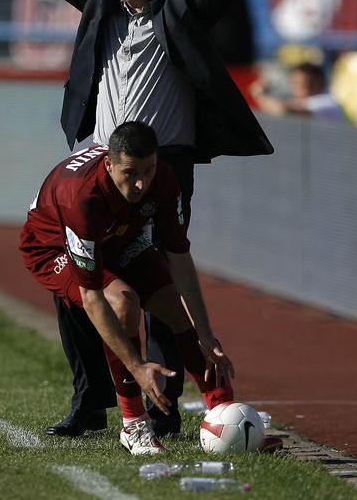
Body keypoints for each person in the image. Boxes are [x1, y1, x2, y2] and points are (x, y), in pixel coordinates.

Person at [0, 0, 273, 439]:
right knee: (79, 289)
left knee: (159, 284)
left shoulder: (182, 5)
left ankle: (163, 409)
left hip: (165, 166)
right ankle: (91, 402)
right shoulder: (100, 1)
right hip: (98, 166)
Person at [20, 122, 236, 455]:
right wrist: (136, 366)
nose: (140, 183)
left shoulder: (162, 179)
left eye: (147, 171)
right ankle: (133, 424)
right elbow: (93, 298)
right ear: (109, 163)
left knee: (176, 311)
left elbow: (179, 258)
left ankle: (223, 410)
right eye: (130, 173)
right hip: (54, 249)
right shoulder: (82, 197)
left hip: (118, 235)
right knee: (123, 301)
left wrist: (206, 334)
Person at [250, 62, 346, 121]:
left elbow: (283, 111)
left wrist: (259, 95)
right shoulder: (298, 101)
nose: (298, 87)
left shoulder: (326, 101)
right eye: (295, 82)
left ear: (318, 83)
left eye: (303, 83)